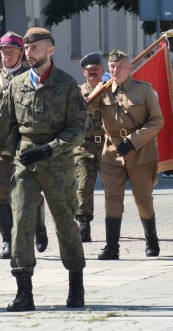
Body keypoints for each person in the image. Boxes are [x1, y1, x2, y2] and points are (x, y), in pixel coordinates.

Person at [0, 27, 86, 311]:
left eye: (35, 47)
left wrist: (51, 148)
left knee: (65, 225)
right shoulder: (17, 85)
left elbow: (77, 130)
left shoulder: (67, 85)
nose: (29, 53)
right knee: (22, 221)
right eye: (27, 48)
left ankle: (76, 282)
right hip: (26, 161)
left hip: (58, 162)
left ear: (50, 50)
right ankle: (23, 291)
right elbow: (1, 126)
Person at [0, 32, 48, 259]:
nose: (8, 56)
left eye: (12, 51)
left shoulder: (33, 76)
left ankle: (38, 227)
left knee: (30, 195)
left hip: (26, 147)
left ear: (22, 52)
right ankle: (8, 240)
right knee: (1, 195)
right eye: (4, 52)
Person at [95, 49, 164, 259]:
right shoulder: (103, 91)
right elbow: (84, 109)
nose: (116, 70)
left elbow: (157, 120)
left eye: (120, 66)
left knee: (143, 199)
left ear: (130, 68)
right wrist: (94, 90)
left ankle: (151, 239)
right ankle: (112, 246)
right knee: (112, 198)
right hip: (112, 152)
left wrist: (133, 141)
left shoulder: (144, 90)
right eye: (112, 67)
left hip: (140, 151)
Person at [75, 52, 105, 242]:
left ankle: (113, 221)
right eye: (89, 70)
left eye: (95, 69)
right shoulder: (77, 93)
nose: (92, 72)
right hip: (84, 146)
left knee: (113, 187)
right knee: (84, 185)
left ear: (102, 70)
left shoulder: (110, 90)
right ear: (84, 72)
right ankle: (83, 222)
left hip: (107, 145)